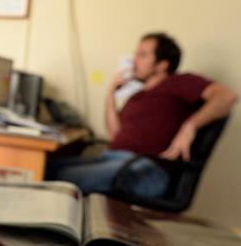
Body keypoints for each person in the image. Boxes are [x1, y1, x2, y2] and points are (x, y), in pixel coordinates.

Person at [47, 32, 237, 198]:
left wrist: (190, 126)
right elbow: (115, 134)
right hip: (112, 159)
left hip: (146, 169)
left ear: (162, 65)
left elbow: (227, 97)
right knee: (45, 167)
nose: (134, 60)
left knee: (62, 179)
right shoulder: (137, 96)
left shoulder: (180, 82)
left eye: (142, 54)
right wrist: (110, 94)